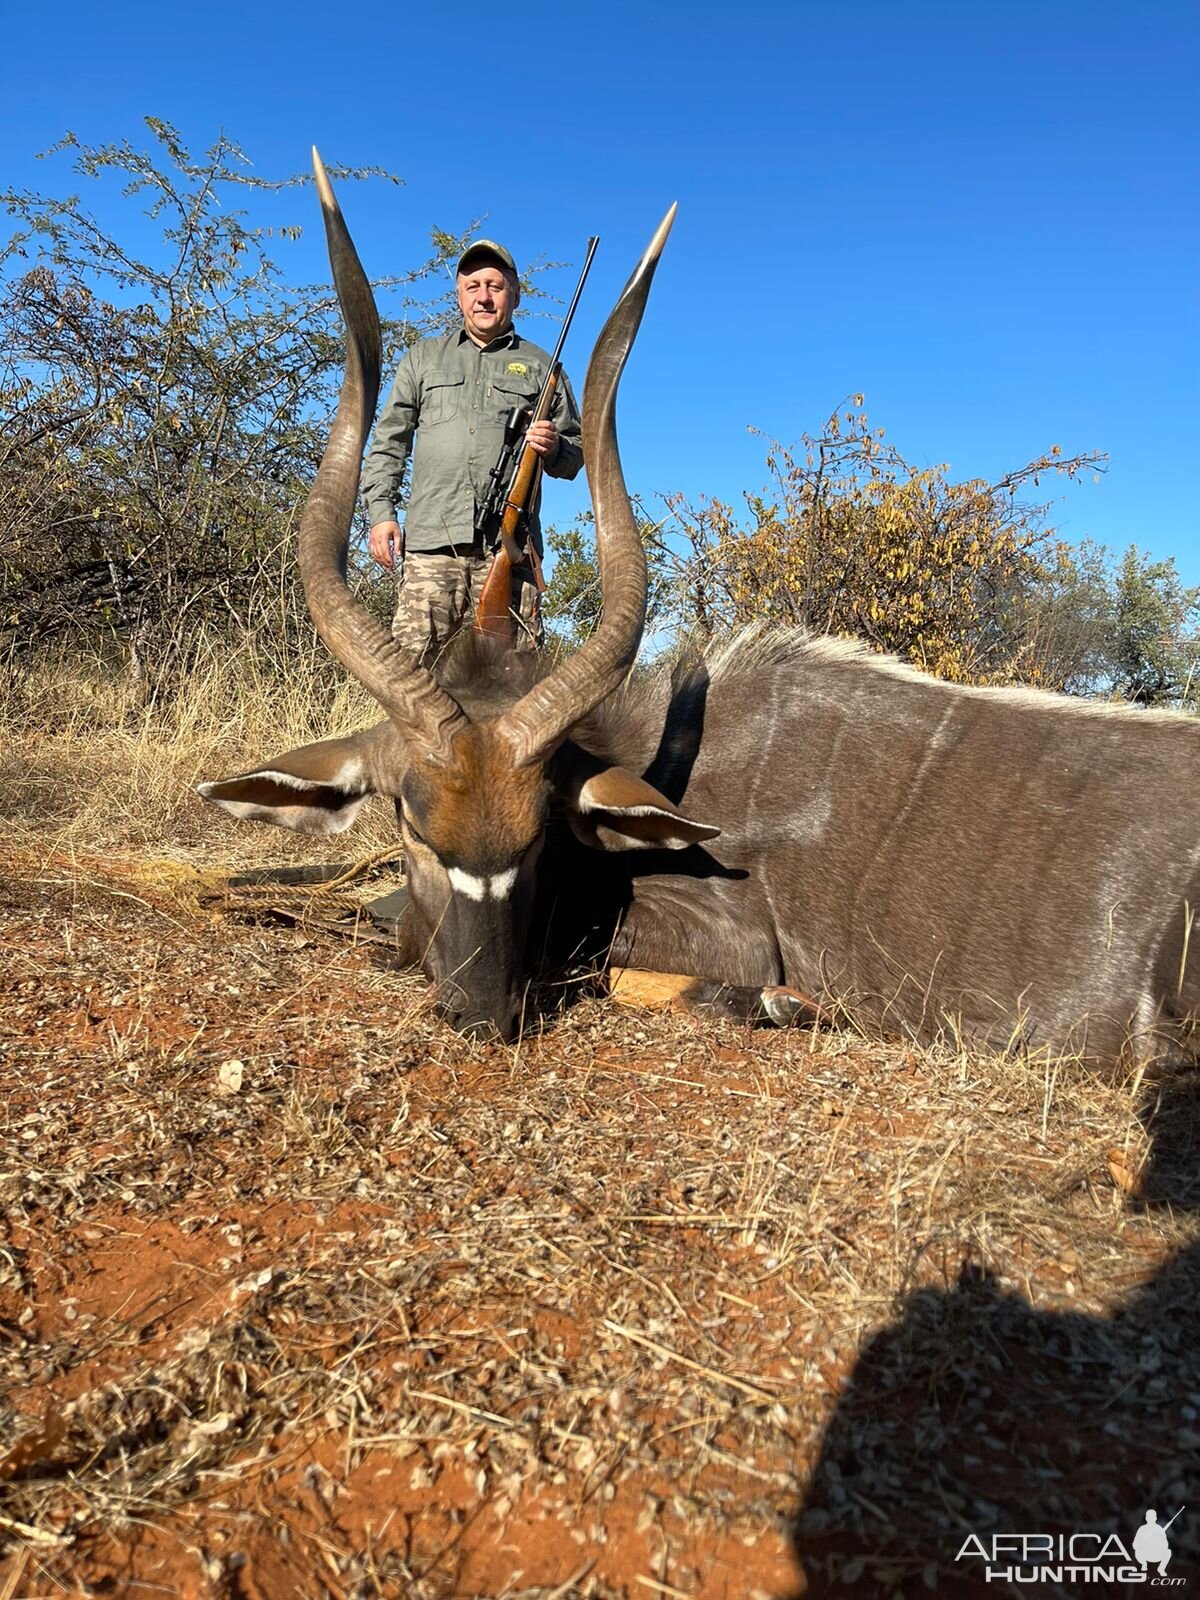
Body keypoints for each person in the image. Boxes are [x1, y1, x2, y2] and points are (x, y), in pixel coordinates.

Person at [361, 238, 583, 660]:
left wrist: (553, 447)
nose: (484, 297)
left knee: (510, 686)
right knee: (411, 680)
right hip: (430, 550)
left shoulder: (543, 367)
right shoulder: (422, 359)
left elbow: (576, 455)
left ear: (515, 295)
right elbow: (389, 441)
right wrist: (381, 515)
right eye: (474, 286)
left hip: (509, 552)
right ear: (459, 294)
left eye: (496, 287)